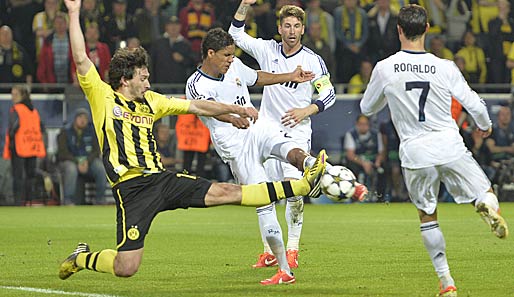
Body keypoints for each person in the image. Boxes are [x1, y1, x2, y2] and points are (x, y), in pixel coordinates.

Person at [58, 0, 327, 281]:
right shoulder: (102, 97)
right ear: (125, 80)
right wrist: (75, 12)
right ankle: (82, 258)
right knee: (126, 267)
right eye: (143, 78)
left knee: (228, 192)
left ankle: (304, 183)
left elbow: (198, 107)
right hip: (132, 190)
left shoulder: (153, 101)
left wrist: (235, 109)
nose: (149, 84)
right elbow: (80, 59)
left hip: (162, 180)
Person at [360, 5, 509, 297]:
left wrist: (389, 96)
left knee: (428, 215)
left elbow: (367, 108)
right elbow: (474, 103)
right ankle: (486, 206)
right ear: (428, 28)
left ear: (399, 30)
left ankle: (446, 282)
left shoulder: (385, 67)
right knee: (485, 190)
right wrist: (485, 125)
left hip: (416, 153)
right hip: (450, 146)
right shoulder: (445, 66)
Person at [229, 0, 368, 276]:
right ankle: (269, 252)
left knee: (294, 193)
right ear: (279, 28)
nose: (292, 31)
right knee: (263, 193)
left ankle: (292, 249)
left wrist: (307, 109)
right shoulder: (267, 49)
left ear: (303, 30)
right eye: (287, 26)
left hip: (297, 132)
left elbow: (328, 95)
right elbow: (235, 34)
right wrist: (244, 4)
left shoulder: (313, 61)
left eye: (296, 26)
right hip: (266, 132)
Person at [186, 27, 326, 285]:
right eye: (227, 55)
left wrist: (290, 75)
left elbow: (258, 78)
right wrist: (232, 116)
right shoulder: (196, 84)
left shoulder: (235, 66)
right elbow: (209, 109)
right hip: (235, 147)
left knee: (282, 145)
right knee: (264, 202)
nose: (231, 59)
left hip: (255, 127)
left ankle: (311, 167)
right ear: (210, 53)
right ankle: (283, 266)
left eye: (233, 55)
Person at [2, 85, 46, 206]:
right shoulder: (34, 111)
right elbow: (42, 127)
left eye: (15, 94)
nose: (12, 97)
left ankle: (18, 202)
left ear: (22, 96)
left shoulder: (16, 109)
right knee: (30, 176)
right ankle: (29, 201)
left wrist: (10, 141)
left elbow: (13, 127)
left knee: (18, 176)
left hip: (19, 147)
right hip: (32, 146)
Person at [57, 108, 107, 205]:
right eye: (80, 117)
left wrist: (87, 161)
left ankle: (100, 199)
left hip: (88, 162)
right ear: (75, 118)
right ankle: (68, 200)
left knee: (101, 168)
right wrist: (77, 162)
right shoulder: (65, 132)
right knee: (71, 169)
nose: (83, 120)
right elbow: (62, 153)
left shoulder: (92, 131)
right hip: (70, 161)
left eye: (85, 118)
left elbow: (97, 151)